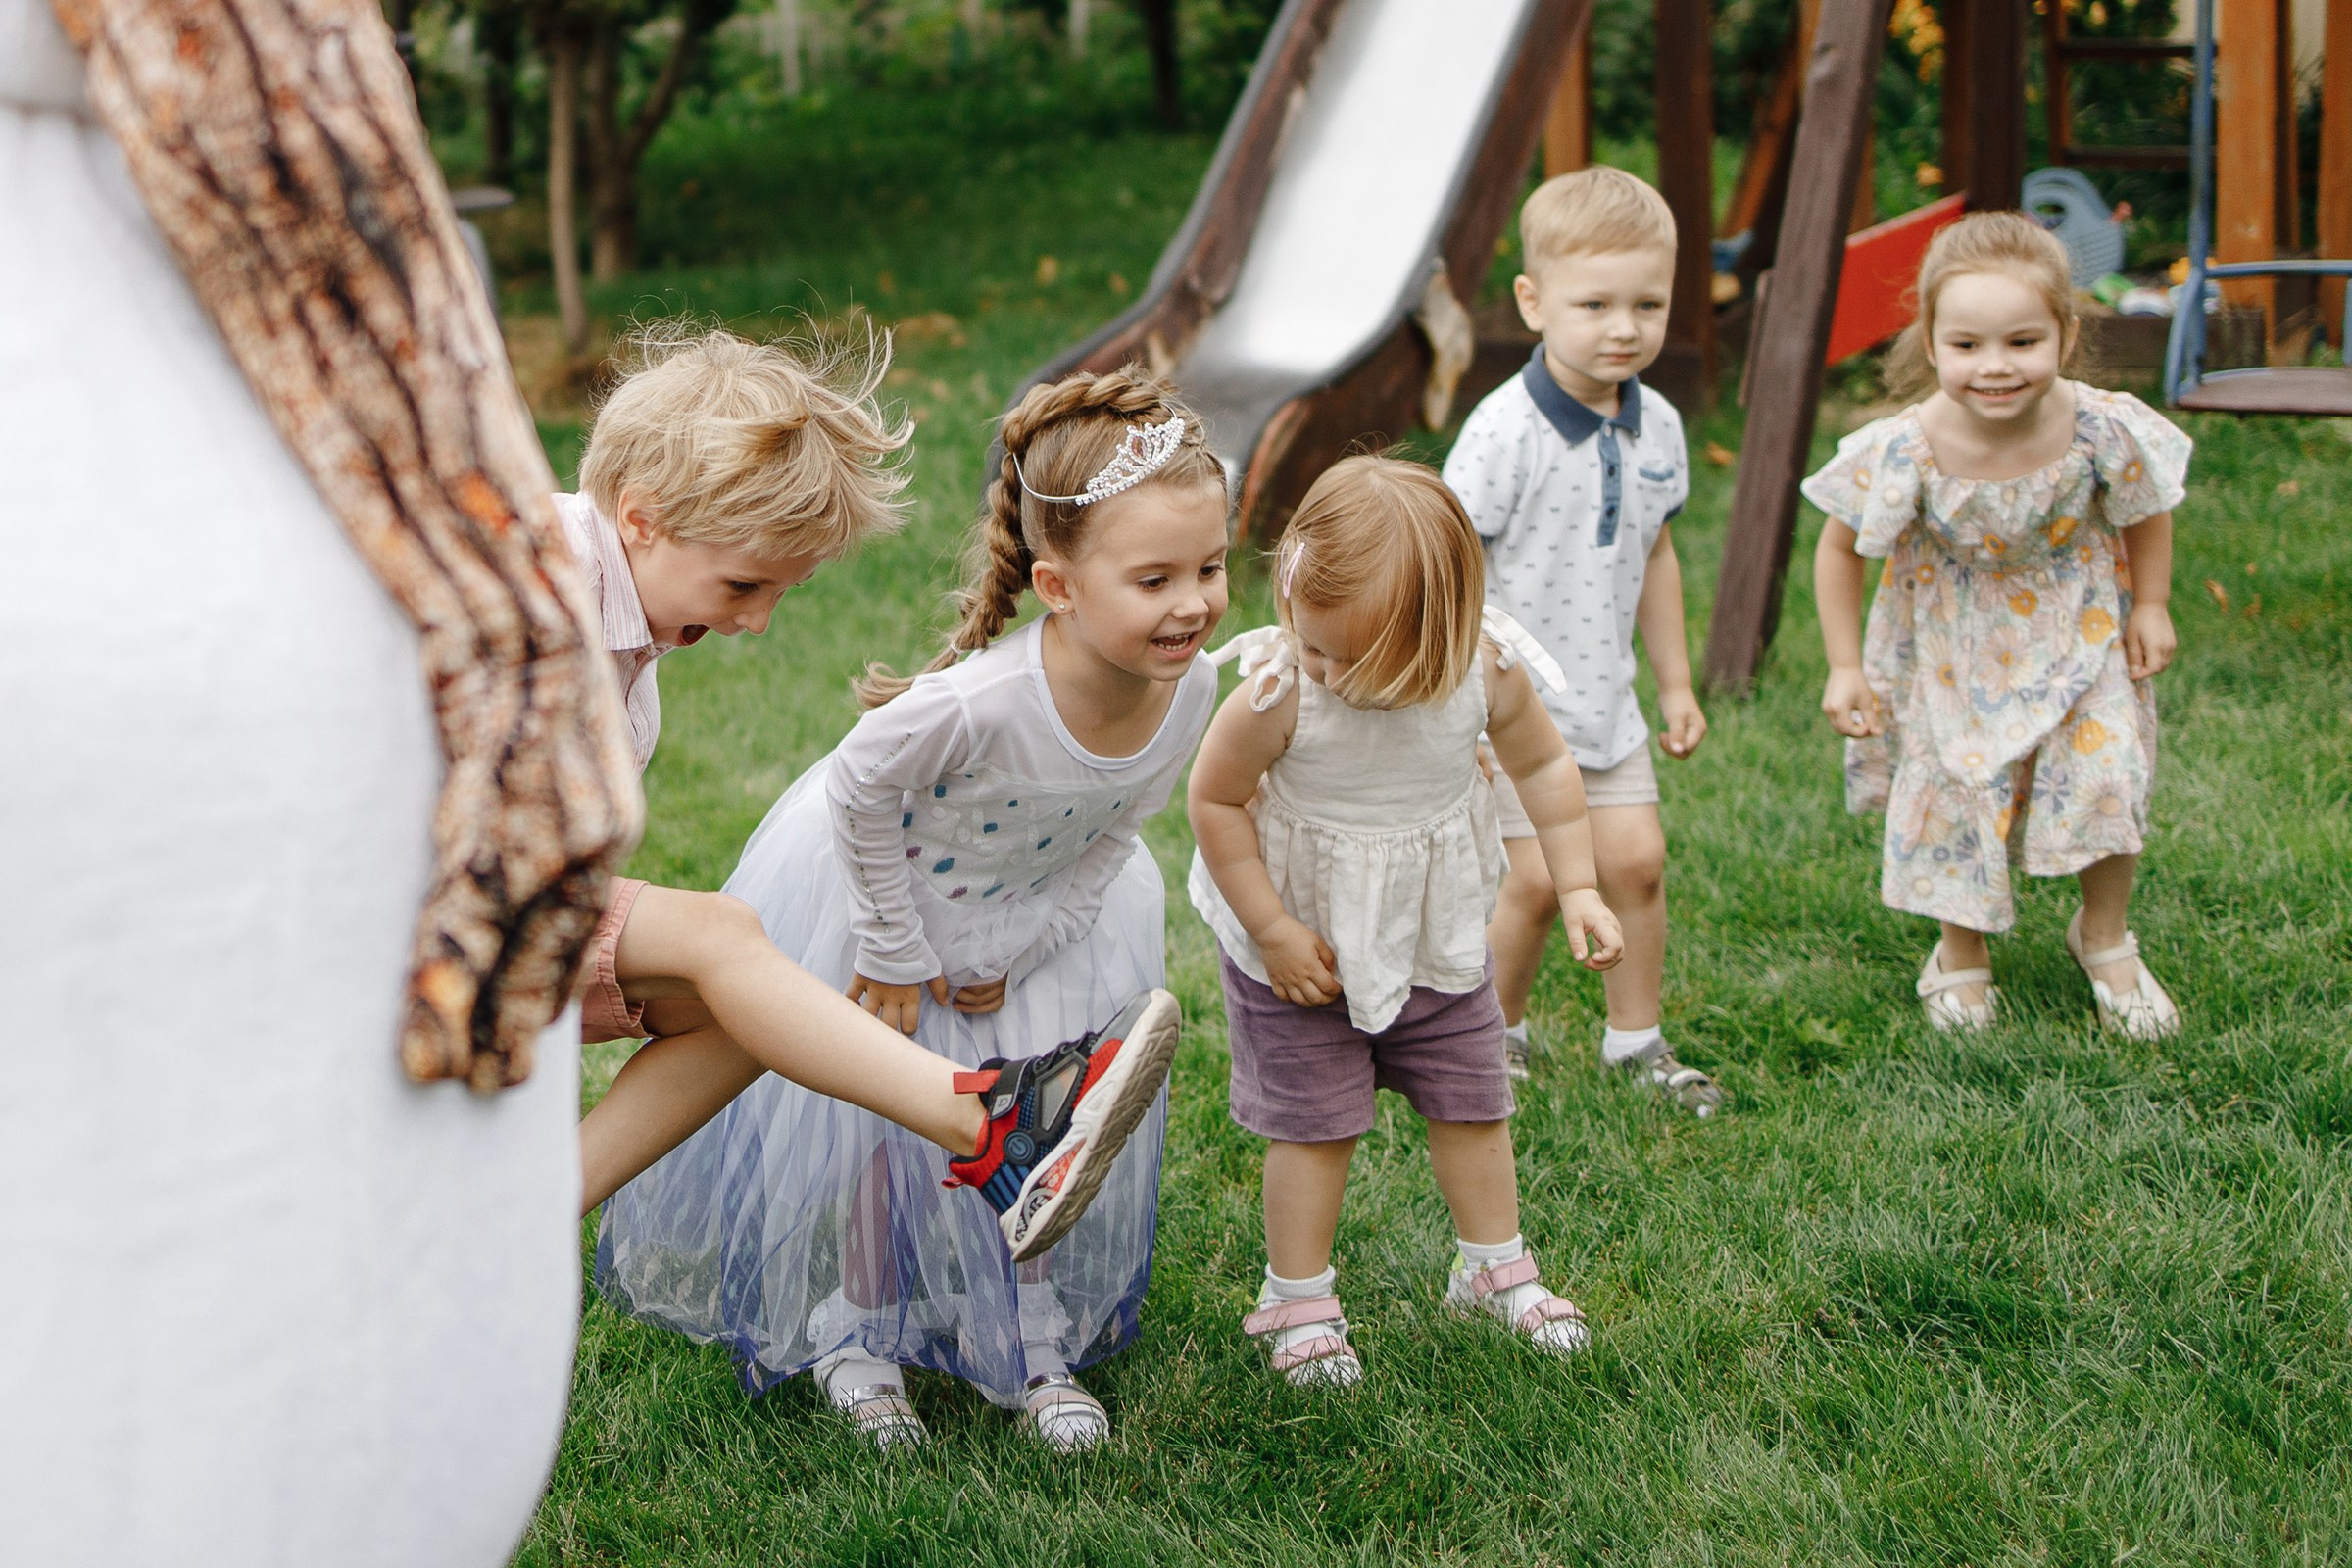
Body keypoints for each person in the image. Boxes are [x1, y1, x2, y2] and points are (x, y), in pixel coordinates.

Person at [597, 368, 1227, 1451]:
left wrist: (1027, 942)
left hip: (1038, 928)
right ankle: (861, 1332)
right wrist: (895, 946)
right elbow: (857, 785)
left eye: (1211, 569)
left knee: (1052, 1133)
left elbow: (1120, 828)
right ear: (1060, 584)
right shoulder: (982, 699)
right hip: (896, 911)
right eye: (1156, 576)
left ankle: (1029, 1343)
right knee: (884, 1148)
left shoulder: (1196, 689)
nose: (1192, 602)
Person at [1188, 456, 1625, 1389]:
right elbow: (1215, 804)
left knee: (1475, 1103)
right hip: (1302, 944)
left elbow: (1545, 771)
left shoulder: (1484, 671)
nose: (1332, 672)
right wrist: (1269, 929)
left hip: (1438, 932)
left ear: (1446, 631)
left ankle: (1493, 1265)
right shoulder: (1279, 694)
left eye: (1357, 658)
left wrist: (1578, 885)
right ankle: (1298, 1297)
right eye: (1319, 648)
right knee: (1315, 1126)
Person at [1806, 211, 2189, 1037]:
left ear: (2066, 332)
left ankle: (2105, 936)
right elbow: (1839, 552)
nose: (1996, 367)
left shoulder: (2097, 426)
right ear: (1932, 340)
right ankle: (1961, 951)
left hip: (2079, 628)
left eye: (2022, 342)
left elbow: (2145, 507)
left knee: (2108, 769)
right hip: (1953, 645)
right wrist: (1845, 666)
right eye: (1968, 345)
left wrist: (2150, 603)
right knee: (1959, 792)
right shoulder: (1904, 446)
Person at [1442, 166, 1720, 1113]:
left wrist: (1676, 684)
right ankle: (1490, 1039)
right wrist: (1463, 701)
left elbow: (1659, 557)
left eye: (1648, 303)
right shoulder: (1504, 431)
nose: (1624, 327)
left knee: (1636, 859)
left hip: (1608, 701)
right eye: (1595, 303)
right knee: (1532, 883)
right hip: (1513, 707)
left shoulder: (1661, 426)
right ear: (1533, 301)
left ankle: (1634, 1042)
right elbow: (1454, 566)